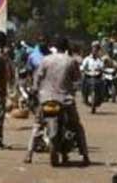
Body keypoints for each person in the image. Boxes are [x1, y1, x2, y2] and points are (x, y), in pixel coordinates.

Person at [24, 36, 90, 165]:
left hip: (45, 98)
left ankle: (29, 154)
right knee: (77, 126)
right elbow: (77, 79)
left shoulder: (46, 60)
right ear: (66, 47)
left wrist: (35, 90)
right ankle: (85, 155)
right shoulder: (70, 61)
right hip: (65, 99)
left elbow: (38, 77)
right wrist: (73, 88)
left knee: (37, 125)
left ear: (53, 46)